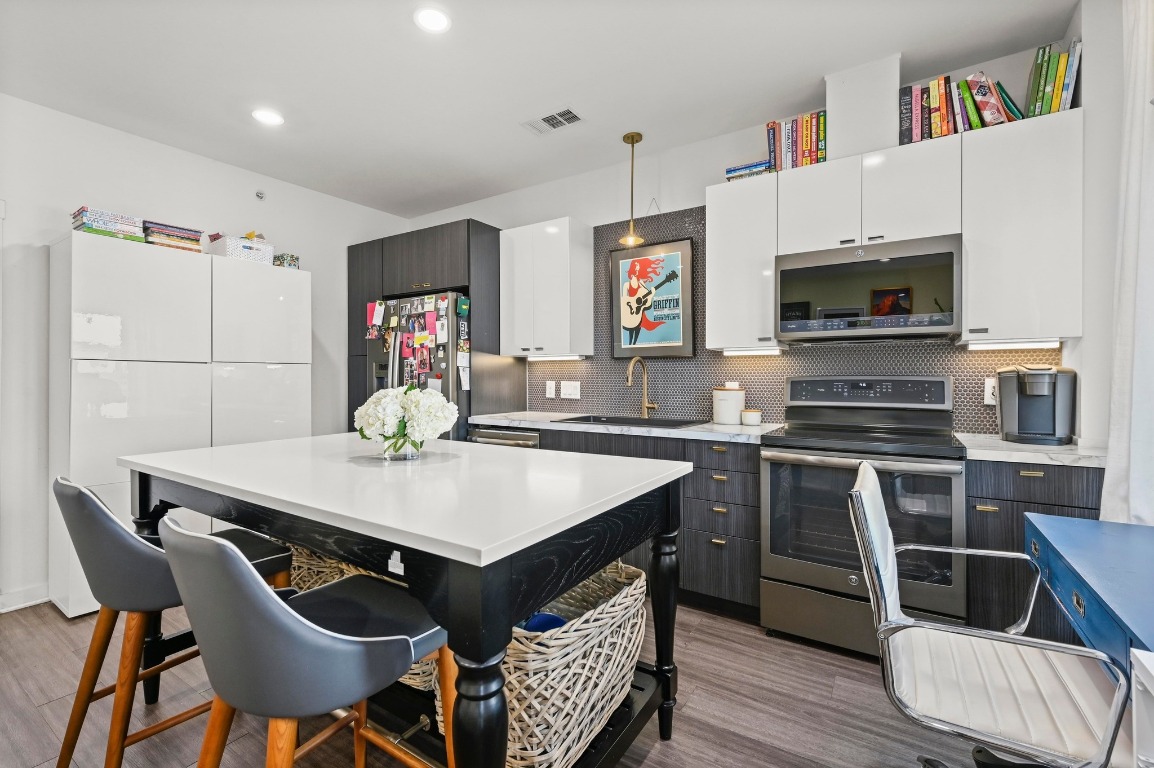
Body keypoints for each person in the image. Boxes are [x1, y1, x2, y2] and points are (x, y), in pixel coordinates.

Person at [621, 256, 666, 345]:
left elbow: (645, 296)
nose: (638, 269)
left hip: (639, 310)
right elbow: (624, 301)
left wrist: (652, 293)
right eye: (637, 267)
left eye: (639, 268)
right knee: (631, 327)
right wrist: (631, 304)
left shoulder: (641, 283)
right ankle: (630, 345)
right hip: (630, 310)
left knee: (638, 327)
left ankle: (634, 345)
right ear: (633, 268)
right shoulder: (626, 284)